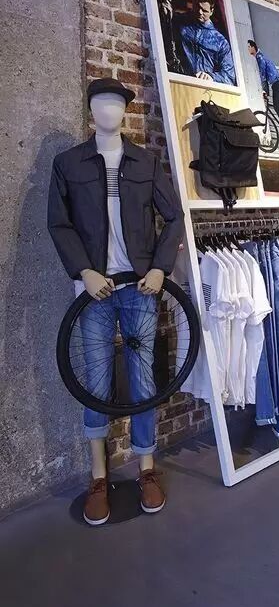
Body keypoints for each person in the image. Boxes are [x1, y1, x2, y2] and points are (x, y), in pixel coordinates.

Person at [48, 78, 184, 525]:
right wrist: (83, 271)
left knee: (143, 379)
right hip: (93, 293)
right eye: (100, 102)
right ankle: (98, 476)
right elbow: (59, 223)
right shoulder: (68, 163)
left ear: (125, 111)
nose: (109, 110)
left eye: (117, 103)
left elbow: (173, 216)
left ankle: (146, 467)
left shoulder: (145, 161)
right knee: (96, 381)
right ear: (90, 110)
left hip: (139, 287)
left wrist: (160, 267)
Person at [161, 0, 236, 84]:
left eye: (204, 11)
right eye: (197, 7)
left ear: (212, 11)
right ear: (193, 2)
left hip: (203, 87)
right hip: (176, 80)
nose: (200, 12)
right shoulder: (179, 21)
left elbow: (229, 77)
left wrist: (211, 77)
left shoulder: (221, 42)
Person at [248, 40, 279, 135]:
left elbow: (263, 76)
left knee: (277, 107)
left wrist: (265, 91)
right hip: (275, 84)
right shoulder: (261, 56)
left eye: (249, 47)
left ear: (253, 47)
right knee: (277, 107)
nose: (248, 49)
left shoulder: (260, 58)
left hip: (276, 84)